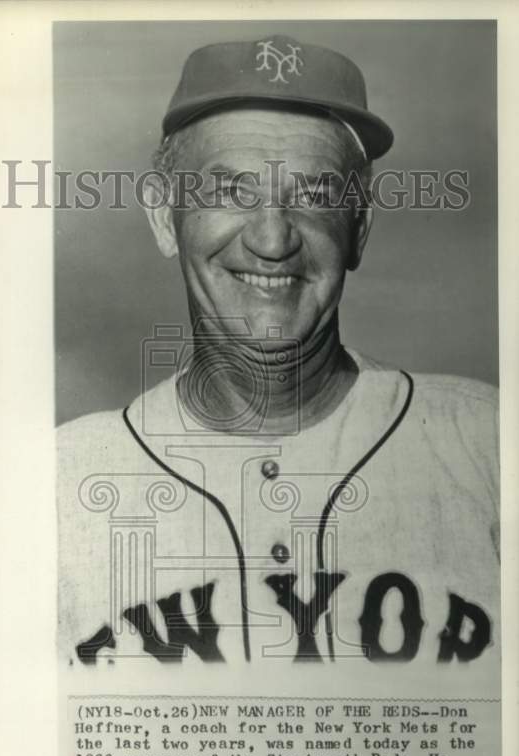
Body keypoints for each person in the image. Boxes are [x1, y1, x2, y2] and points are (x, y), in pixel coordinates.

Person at [57, 35, 499, 669]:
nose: (272, 239)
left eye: (315, 195)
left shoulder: (487, 449)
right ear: (163, 216)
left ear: (360, 230)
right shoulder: (62, 483)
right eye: (232, 191)